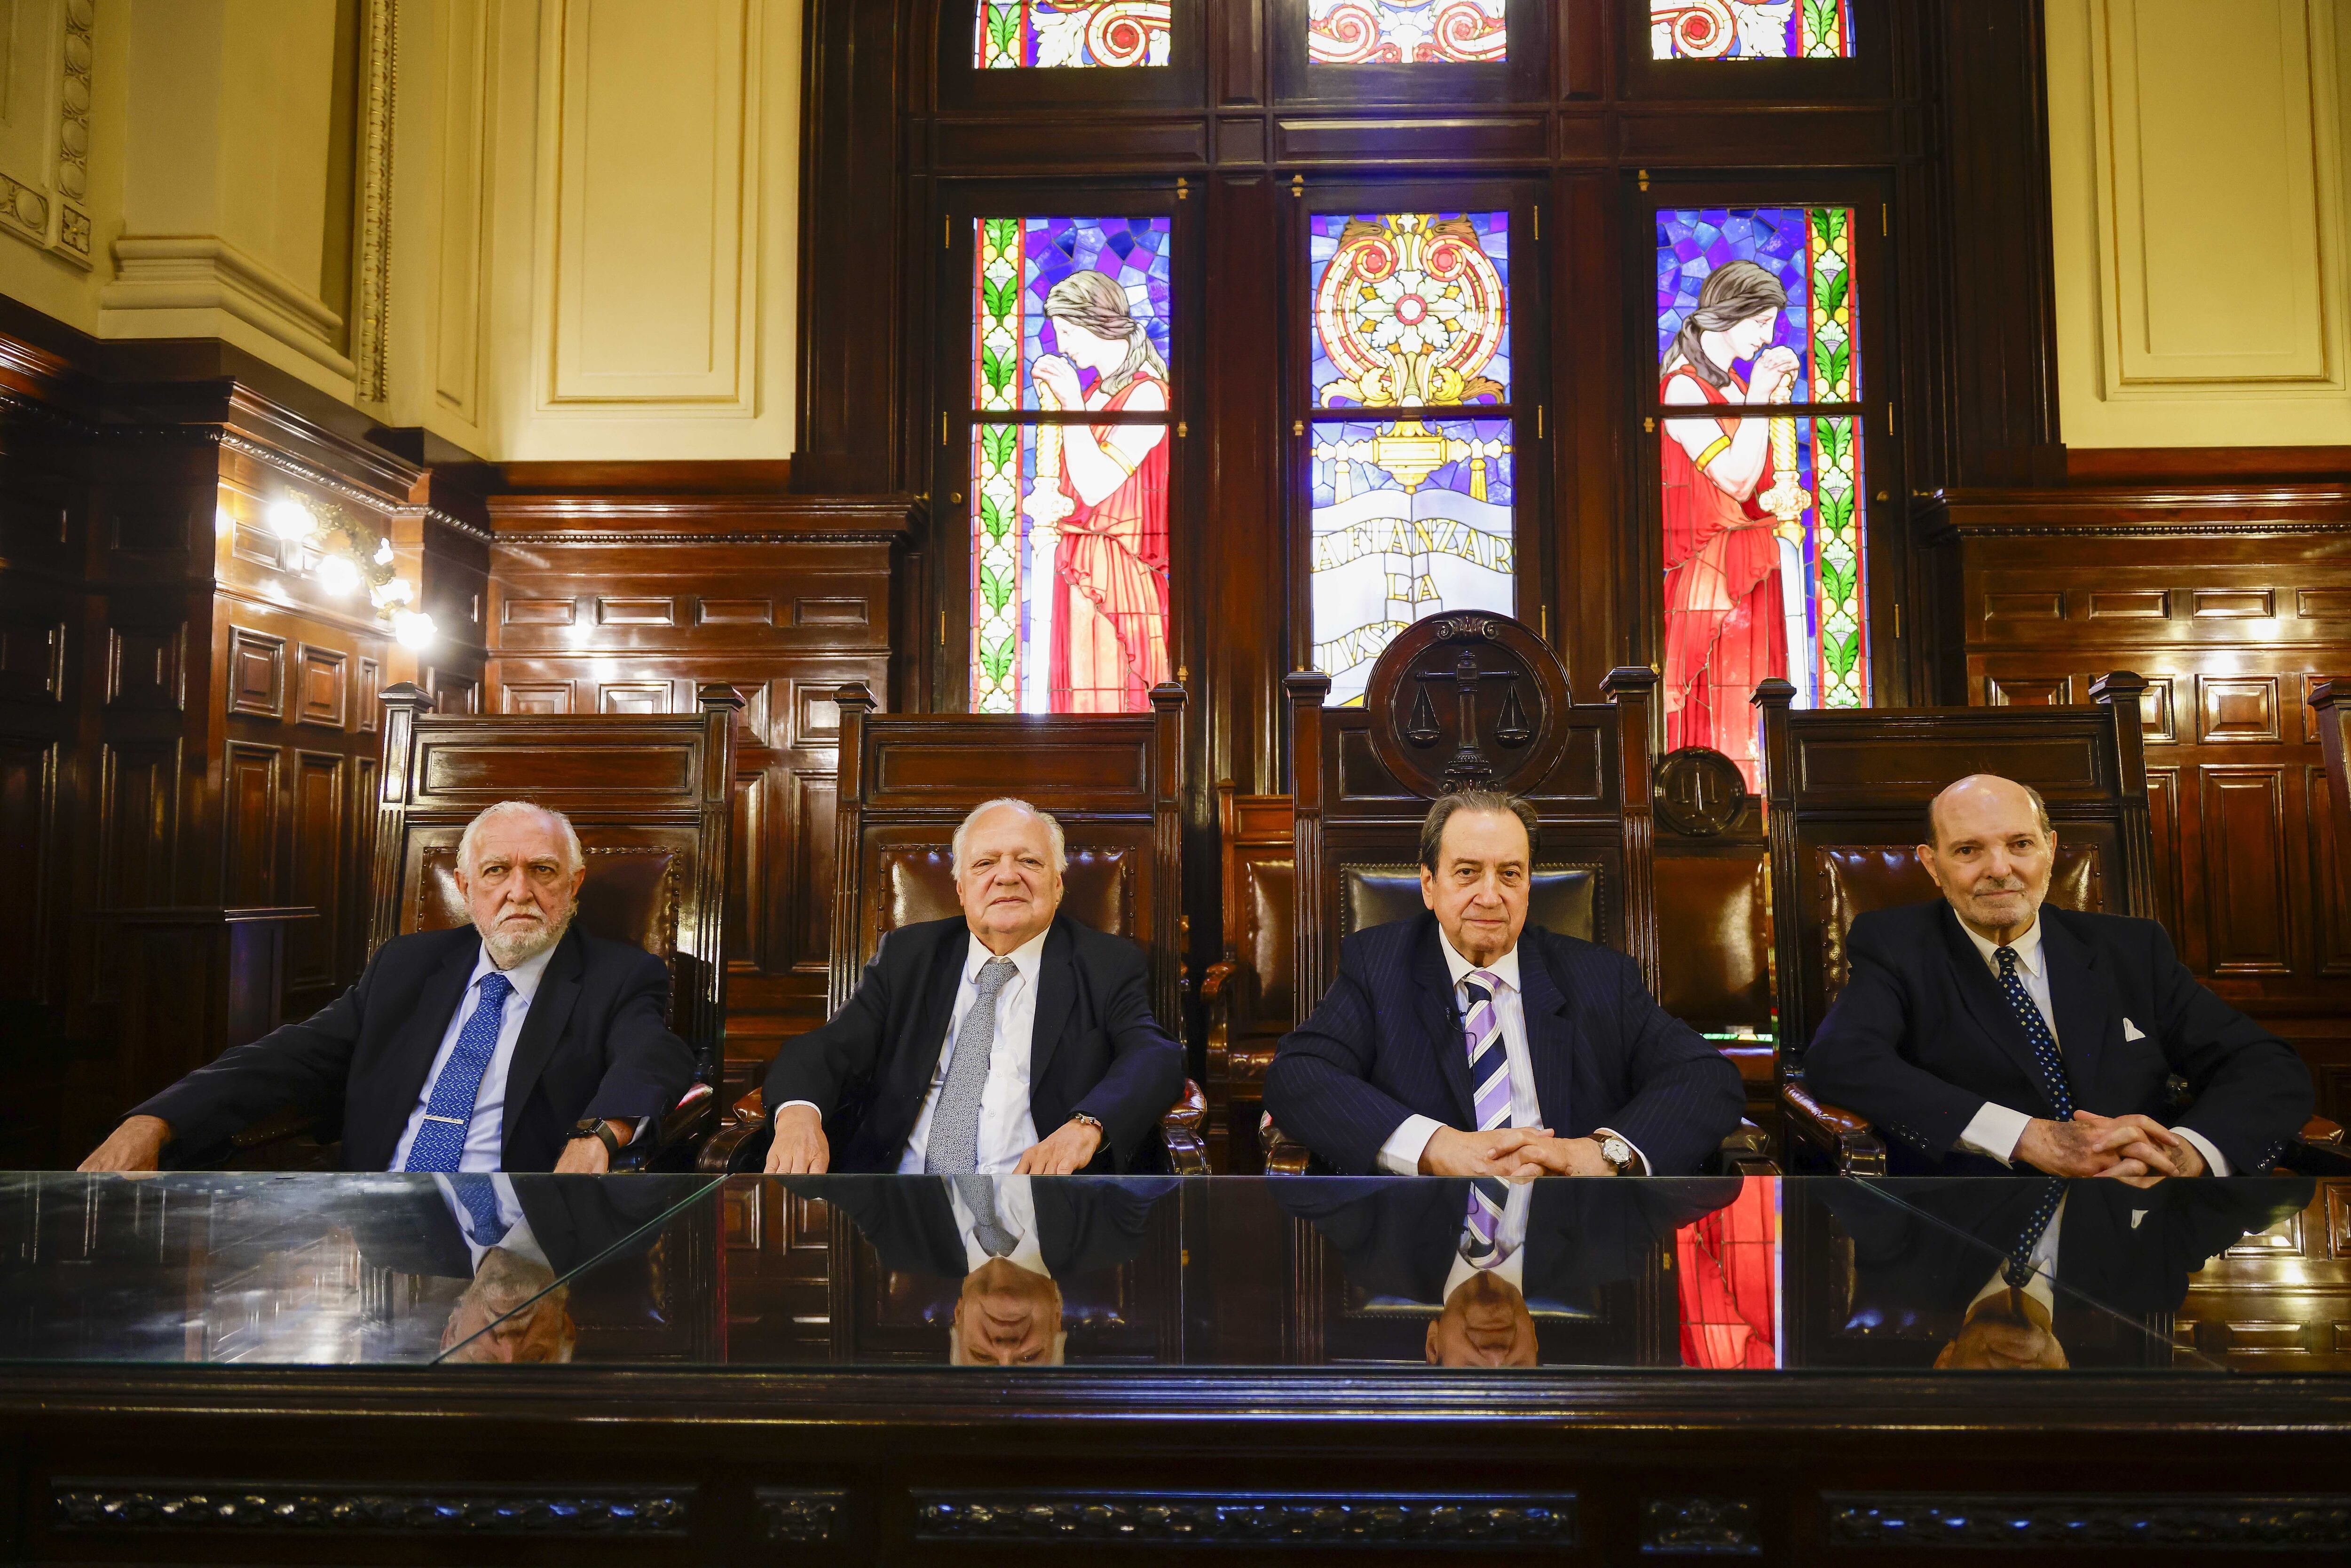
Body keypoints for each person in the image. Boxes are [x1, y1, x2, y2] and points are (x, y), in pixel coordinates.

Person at [79, 801, 694, 1175]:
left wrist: (598, 1134)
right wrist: (156, 1120)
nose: (519, 891)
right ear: (465, 885)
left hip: (512, 1233)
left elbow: (653, 1054)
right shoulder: (407, 965)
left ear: (575, 883)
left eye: (543, 870)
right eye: (496, 871)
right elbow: (287, 1056)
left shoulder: (619, 974)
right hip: (371, 1226)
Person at [1804, 774, 2315, 1178]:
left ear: (2049, 849)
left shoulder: (2130, 948)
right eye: (1967, 850)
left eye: (2019, 844)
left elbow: (2264, 1064)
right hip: (1971, 1226)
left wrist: (2188, 1152)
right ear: (1931, 865)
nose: (1999, 868)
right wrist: (2027, 1137)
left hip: (2137, 1217)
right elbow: (1842, 1060)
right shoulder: (1895, 944)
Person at [1261, 790, 1744, 1180]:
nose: (1489, 896)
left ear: (1529, 883)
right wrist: (1434, 1146)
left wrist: (1599, 1153)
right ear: (1429, 885)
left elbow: (1706, 1077)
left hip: (1571, 1237)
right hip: (1422, 1237)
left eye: (1509, 873)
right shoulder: (1378, 965)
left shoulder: (1601, 977)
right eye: (1467, 872)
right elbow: (1297, 1074)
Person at [762, 797, 1185, 1176]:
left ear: (1058, 886)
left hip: (1043, 1206)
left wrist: (1086, 1125)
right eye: (985, 863)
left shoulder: (1105, 963)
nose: (1007, 876)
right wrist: (799, 1115)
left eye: (1030, 862)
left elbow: (1154, 1055)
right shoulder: (909, 956)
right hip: (902, 1204)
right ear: (961, 890)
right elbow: (828, 1047)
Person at [1821, 1175, 2312, 1371]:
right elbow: (2278, 1190)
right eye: (2032, 1401)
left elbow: (1849, 1180)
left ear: (1944, 1360)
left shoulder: (1908, 1269)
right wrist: (2187, 1136)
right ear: (2061, 1366)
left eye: (1986, 1399)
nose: (2011, 1378)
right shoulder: (2135, 1280)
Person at [1281, 1176, 1743, 1368]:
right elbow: (1716, 1186)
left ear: (1432, 1341)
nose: (1497, 1354)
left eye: (1470, 1370)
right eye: (1519, 1367)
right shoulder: (1602, 1247)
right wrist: (1606, 1154)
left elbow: (1295, 1188)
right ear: (1535, 1341)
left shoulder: (1376, 1250)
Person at [1660, 258, 1800, 788]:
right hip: (1710, 575)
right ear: (1727, 315)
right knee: (1716, 693)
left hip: (1749, 567)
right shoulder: (1682, 390)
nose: (1766, 338)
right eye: (1759, 322)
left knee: (1753, 696)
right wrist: (1761, 394)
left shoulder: (1729, 385)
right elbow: (1737, 481)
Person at [810, 1174, 1175, 1366]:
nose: (1005, 1348)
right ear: (1059, 1315)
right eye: (1030, 1357)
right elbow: (1158, 1174)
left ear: (958, 1314)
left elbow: (815, 1175)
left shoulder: (898, 1236)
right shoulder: (1108, 1235)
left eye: (982, 1356)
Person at [1032, 269, 1171, 714]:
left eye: (1069, 332)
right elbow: (1079, 493)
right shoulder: (1096, 394)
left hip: (1116, 582)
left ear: (1100, 324)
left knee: (1109, 699)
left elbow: (1096, 486)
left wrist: (1070, 401)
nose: (1064, 345)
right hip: (1075, 570)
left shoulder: (1148, 397)